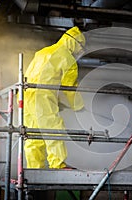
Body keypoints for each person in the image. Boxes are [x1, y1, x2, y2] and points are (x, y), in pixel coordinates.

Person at [23, 26, 85, 169]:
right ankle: (58, 165)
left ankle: (34, 168)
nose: (80, 51)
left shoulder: (43, 52)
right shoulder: (68, 58)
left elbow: (40, 76)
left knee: (33, 135)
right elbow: (70, 88)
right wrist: (79, 107)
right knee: (53, 128)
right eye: (80, 47)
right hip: (42, 96)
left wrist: (55, 101)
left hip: (27, 95)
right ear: (74, 42)